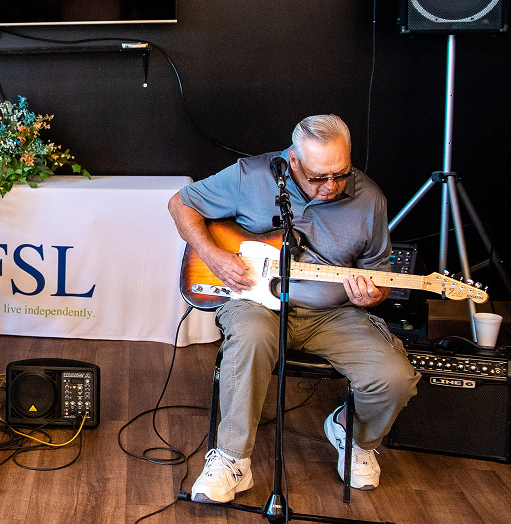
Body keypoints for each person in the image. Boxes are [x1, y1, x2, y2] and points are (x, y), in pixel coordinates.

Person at [167, 114, 420, 503]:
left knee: (394, 376)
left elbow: (378, 276)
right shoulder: (250, 176)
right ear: (294, 161)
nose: (332, 186)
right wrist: (214, 255)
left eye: (341, 173)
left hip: (333, 314)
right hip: (256, 303)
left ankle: (354, 434)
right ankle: (232, 461)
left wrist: (372, 295)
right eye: (319, 177)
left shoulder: (370, 199)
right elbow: (180, 203)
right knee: (250, 336)